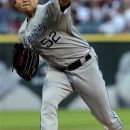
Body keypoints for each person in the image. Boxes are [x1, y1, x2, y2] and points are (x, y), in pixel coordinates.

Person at [14, 0, 123, 130]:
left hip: (84, 64)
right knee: (48, 104)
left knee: (107, 119)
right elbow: (36, 56)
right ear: (15, 4)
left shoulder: (49, 9)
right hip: (57, 71)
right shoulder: (22, 33)